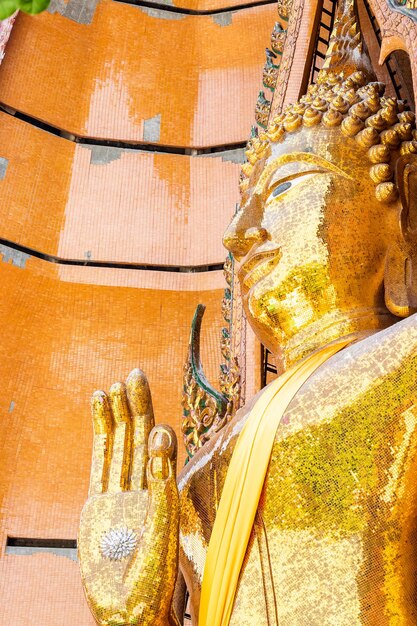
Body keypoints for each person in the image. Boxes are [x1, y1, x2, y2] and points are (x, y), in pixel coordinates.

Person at [78, 0, 417, 623]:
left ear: (405, 209)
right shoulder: (197, 476)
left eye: (286, 187)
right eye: (244, 207)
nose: (240, 234)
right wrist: (131, 614)